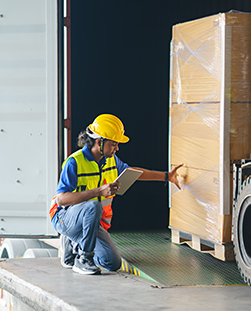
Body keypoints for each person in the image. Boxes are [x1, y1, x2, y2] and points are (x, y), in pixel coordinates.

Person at [49, 114, 183, 275]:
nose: (117, 148)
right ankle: (83, 259)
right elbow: (62, 199)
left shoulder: (111, 160)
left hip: (91, 223)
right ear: (100, 142)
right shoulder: (74, 162)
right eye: (113, 144)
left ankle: (75, 244)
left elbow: (133, 173)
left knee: (111, 263)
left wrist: (166, 176)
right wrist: (99, 191)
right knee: (93, 205)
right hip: (64, 219)